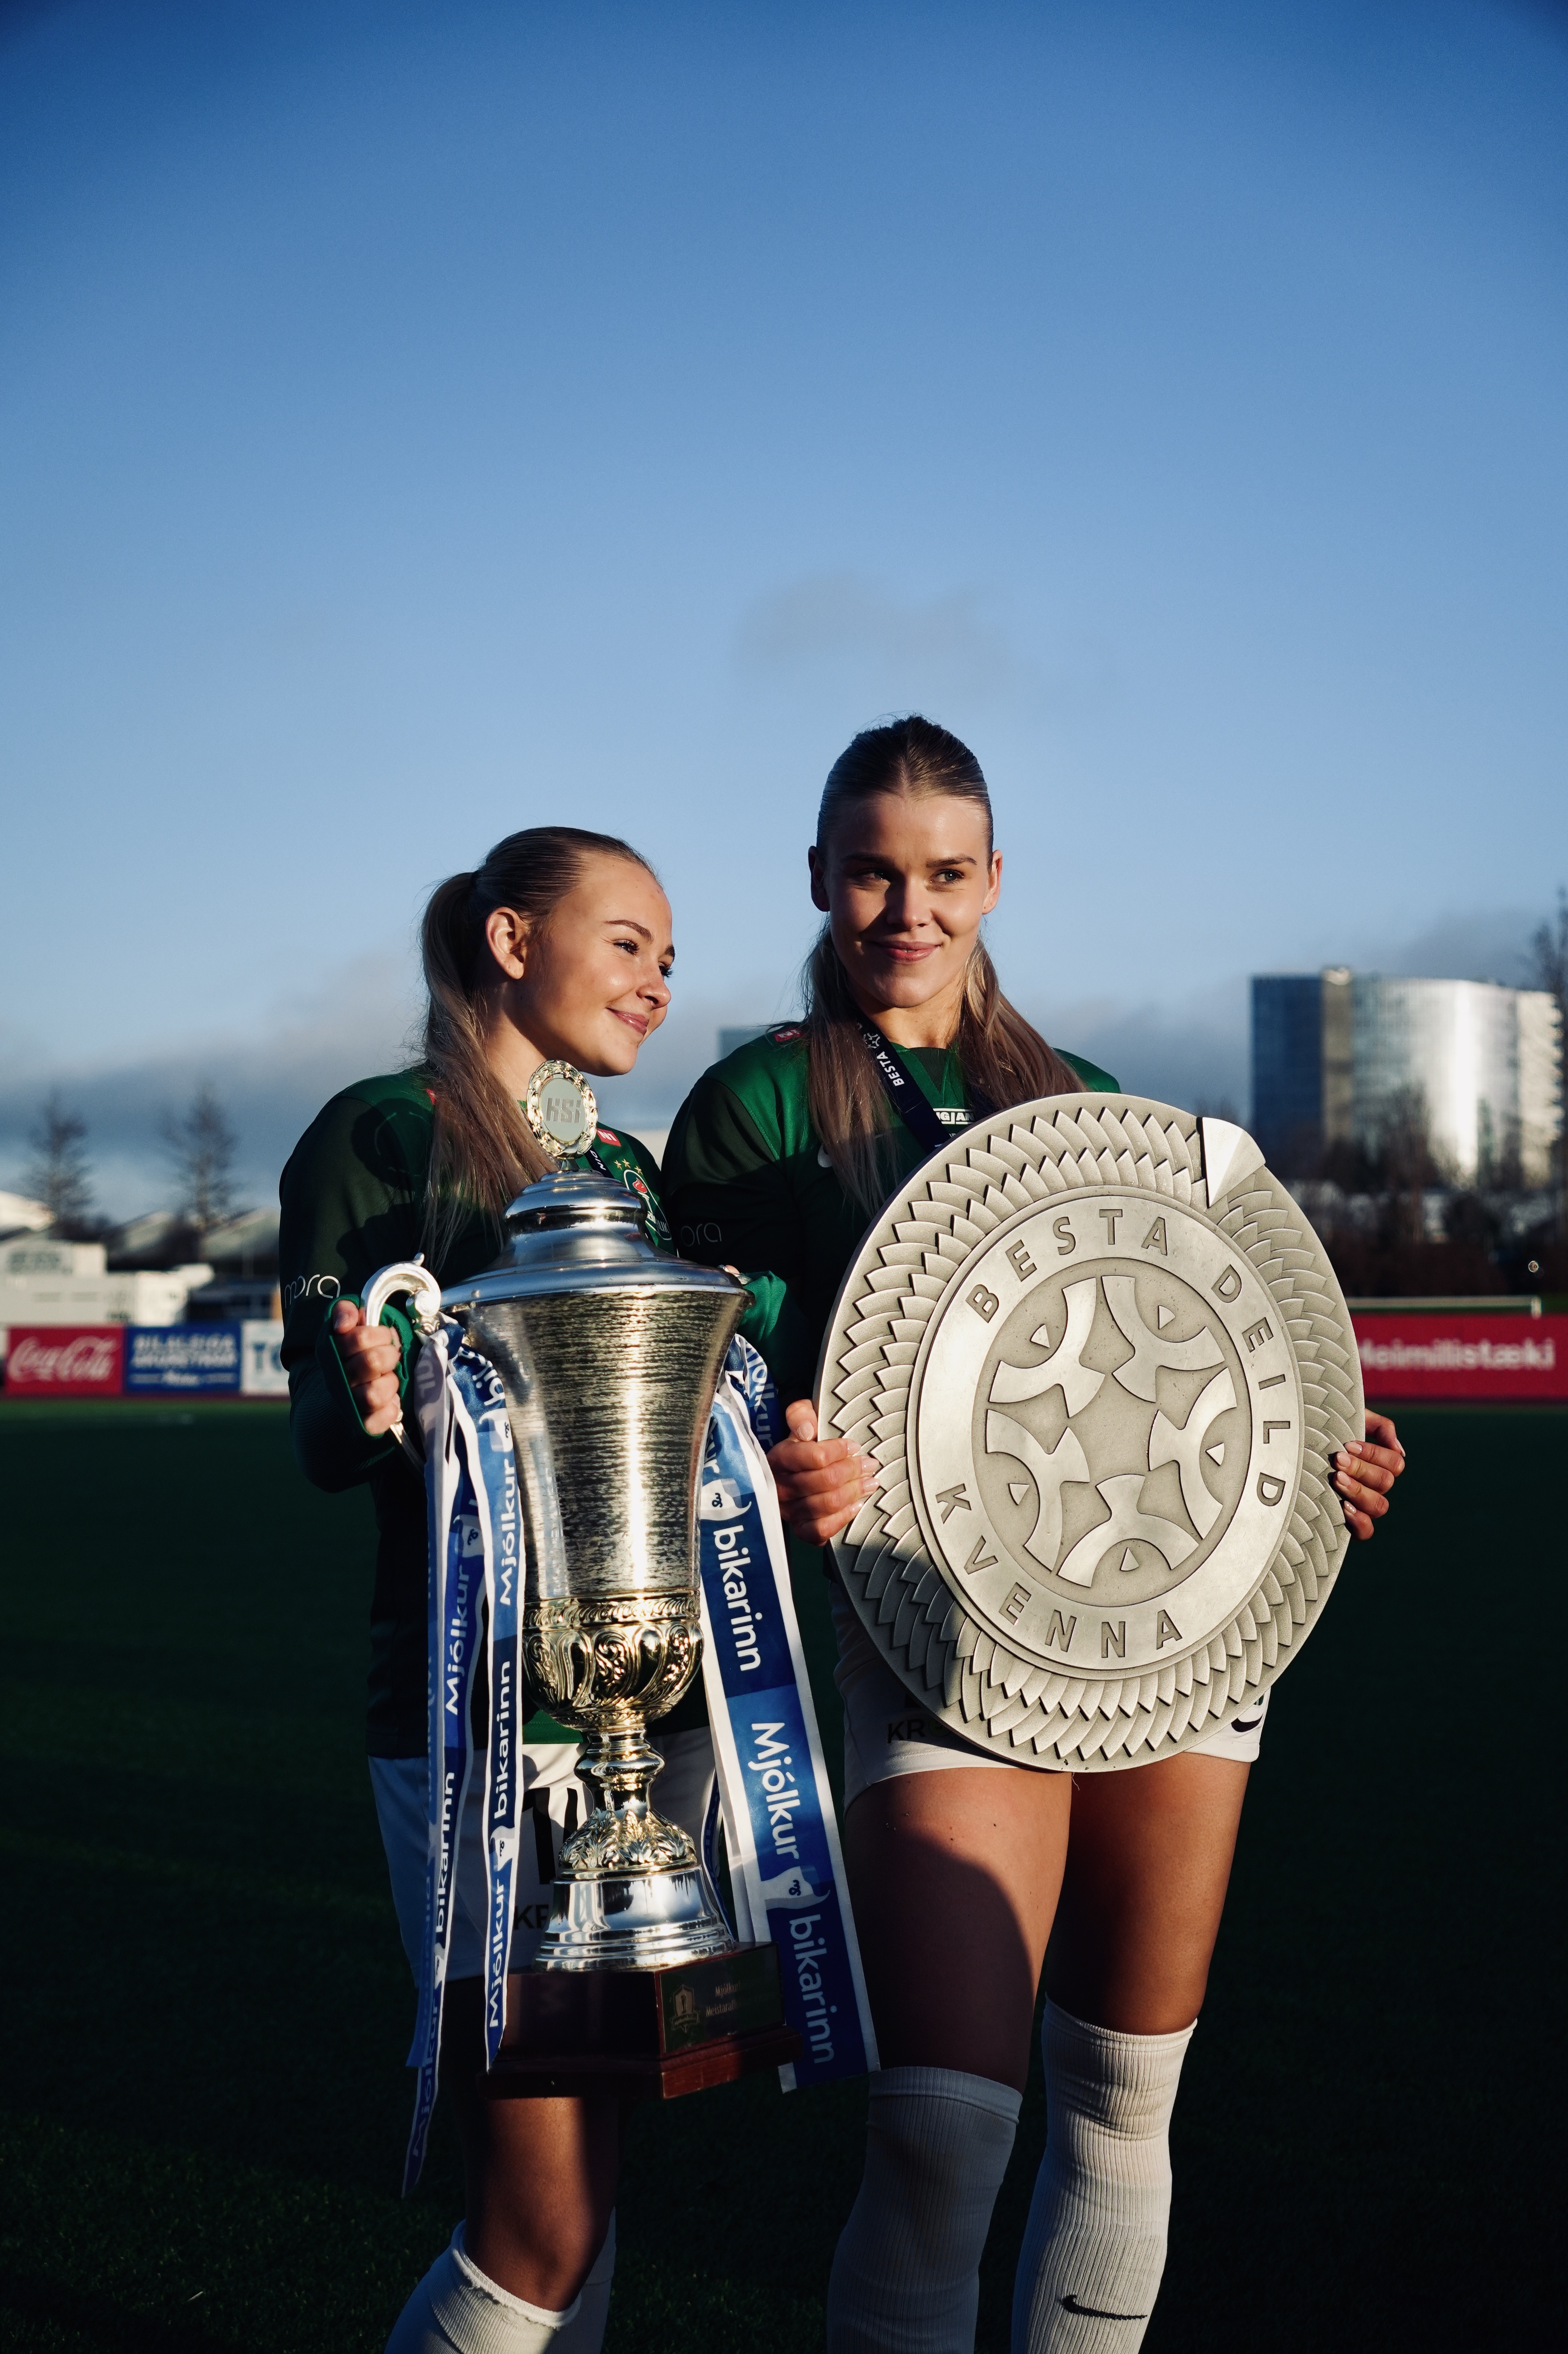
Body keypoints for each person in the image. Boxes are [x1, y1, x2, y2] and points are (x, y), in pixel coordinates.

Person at [663, 716, 1405, 2354]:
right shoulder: (752, 1103)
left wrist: (1325, 1469)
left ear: (996, 879)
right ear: (819, 877)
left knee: (1127, 2100)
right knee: (942, 2136)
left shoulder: (1091, 1103)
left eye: (944, 874)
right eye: (874, 873)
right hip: (933, 1623)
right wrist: (780, 1466)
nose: (909, 910)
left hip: (1176, 1630)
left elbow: (1218, 1353)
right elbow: (707, 1396)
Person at [280, 826, 722, 2354]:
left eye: (670, 958)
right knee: (539, 2228)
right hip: (470, 1720)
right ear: (512, 940)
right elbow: (323, 1442)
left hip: (636, 1722)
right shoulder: (380, 1134)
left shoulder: (623, 1174)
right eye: (629, 943)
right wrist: (370, 1398)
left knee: (590, 2201)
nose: (658, 982)